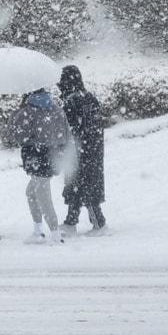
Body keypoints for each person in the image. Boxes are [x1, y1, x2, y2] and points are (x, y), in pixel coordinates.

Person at [7, 86, 72, 244]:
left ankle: (55, 234)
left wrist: (17, 113)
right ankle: (38, 231)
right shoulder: (55, 108)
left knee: (43, 196)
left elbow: (16, 135)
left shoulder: (28, 111)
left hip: (37, 158)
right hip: (52, 157)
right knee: (31, 192)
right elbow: (66, 133)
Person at [58, 65, 107, 234]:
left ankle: (98, 223)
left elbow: (68, 128)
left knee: (81, 184)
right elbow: (98, 123)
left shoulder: (71, 101)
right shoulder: (90, 97)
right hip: (94, 148)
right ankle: (71, 221)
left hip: (79, 150)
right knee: (83, 184)